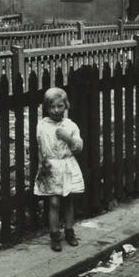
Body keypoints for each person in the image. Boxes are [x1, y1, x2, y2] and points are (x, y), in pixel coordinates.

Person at [34, 86, 85, 252]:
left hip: (66, 165)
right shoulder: (42, 125)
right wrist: (42, 164)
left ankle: (69, 231)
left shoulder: (70, 125)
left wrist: (67, 138)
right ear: (46, 108)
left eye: (60, 106)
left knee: (68, 200)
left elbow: (78, 148)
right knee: (54, 202)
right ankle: (55, 235)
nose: (56, 110)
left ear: (66, 106)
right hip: (51, 167)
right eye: (52, 107)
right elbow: (40, 147)